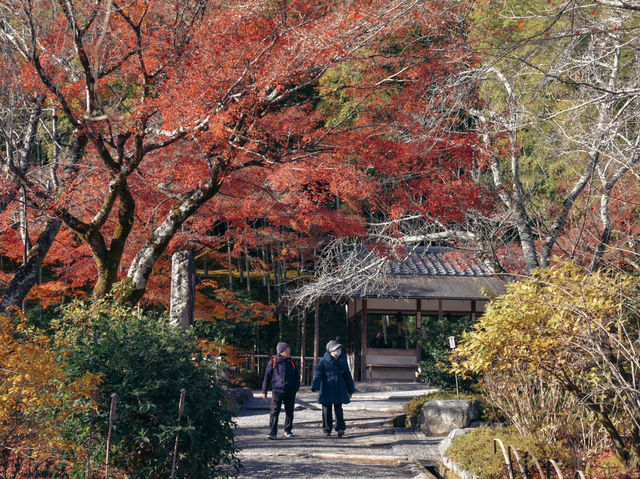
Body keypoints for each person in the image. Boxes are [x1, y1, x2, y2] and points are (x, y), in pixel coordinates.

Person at [311, 340, 355, 438]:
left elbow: (347, 375)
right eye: (336, 348)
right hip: (327, 387)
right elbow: (319, 374)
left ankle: (340, 428)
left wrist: (351, 389)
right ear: (331, 350)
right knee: (326, 409)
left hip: (339, 387)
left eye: (339, 348)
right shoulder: (323, 360)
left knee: (338, 408)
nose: (338, 350)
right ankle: (327, 429)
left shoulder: (343, 360)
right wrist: (316, 386)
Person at [262, 342, 300, 440]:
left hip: (290, 391)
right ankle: (272, 432)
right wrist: (264, 391)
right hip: (277, 390)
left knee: (289, 411)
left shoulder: (292, 362)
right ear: (281, 352)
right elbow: (267, 376)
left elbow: (297, 376)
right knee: (274, 411)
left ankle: (288, 430)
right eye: (287, 349)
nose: (289, 351)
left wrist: (296, 388)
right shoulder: (273, 362)